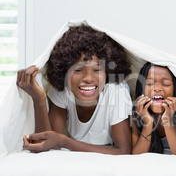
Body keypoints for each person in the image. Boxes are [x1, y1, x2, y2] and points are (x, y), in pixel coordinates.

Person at [17, 25, 133, 154]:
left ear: (108, 72)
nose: (88, 78)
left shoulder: (116, 92)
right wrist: (39, 100)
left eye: (97, 69)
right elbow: (48, 144)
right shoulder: (62, 91)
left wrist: (64, 141)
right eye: (78, 70)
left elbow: (124, 151)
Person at [131, 62, 176, 155]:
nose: (157, 88)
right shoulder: (137, 113)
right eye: (150, 83)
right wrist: (148, 123)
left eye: (166, 84)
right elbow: (136, 156)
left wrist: (168, 120)